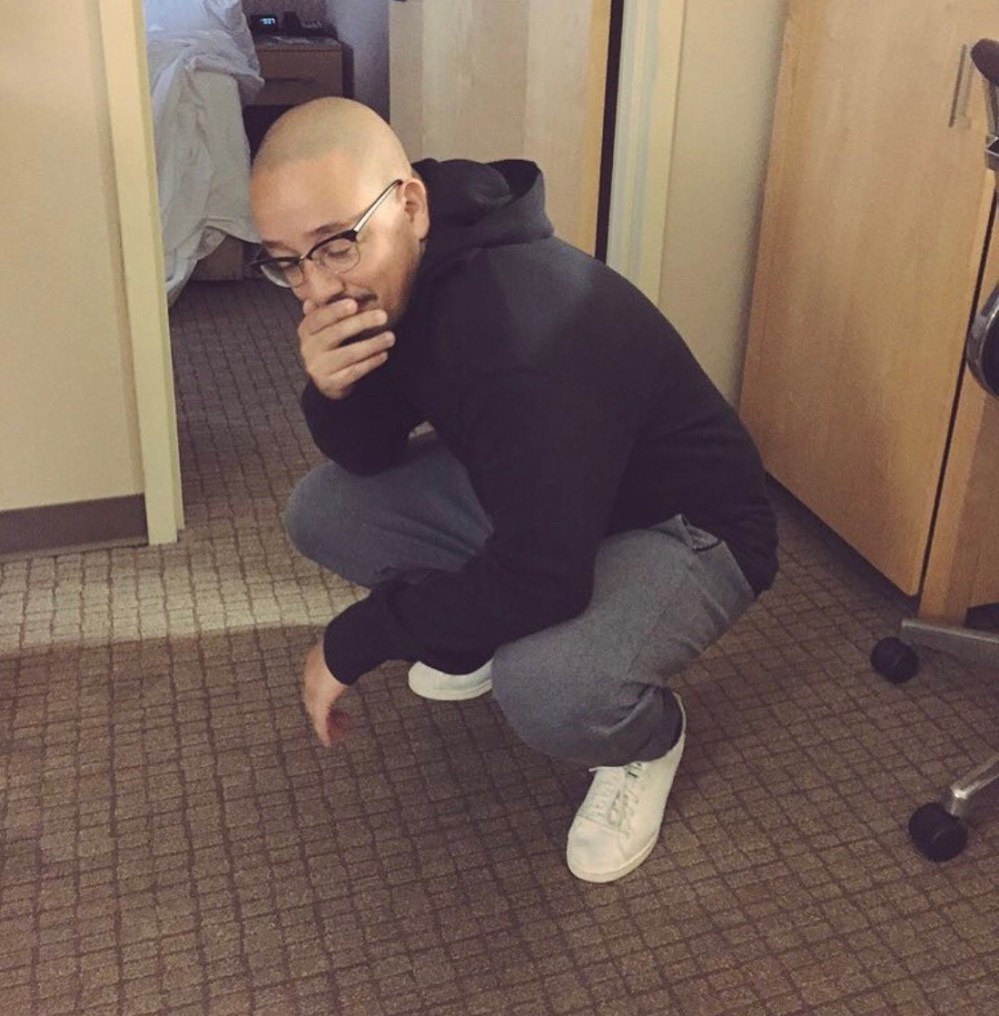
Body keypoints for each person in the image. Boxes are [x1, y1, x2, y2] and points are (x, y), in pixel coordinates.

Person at [248, 97, 778, 883]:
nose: (315, 289)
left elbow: (542, 575)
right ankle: (472, 632)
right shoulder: (398, 273)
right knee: (323, 511)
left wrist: (357, 638)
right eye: (287, 261)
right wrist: (333, 391)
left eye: (335, 245)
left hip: (687, 524)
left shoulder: (513, 329)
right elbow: (368, 455)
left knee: (548, 686)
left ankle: (648, 739)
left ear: (410, 205)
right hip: (558, 487)